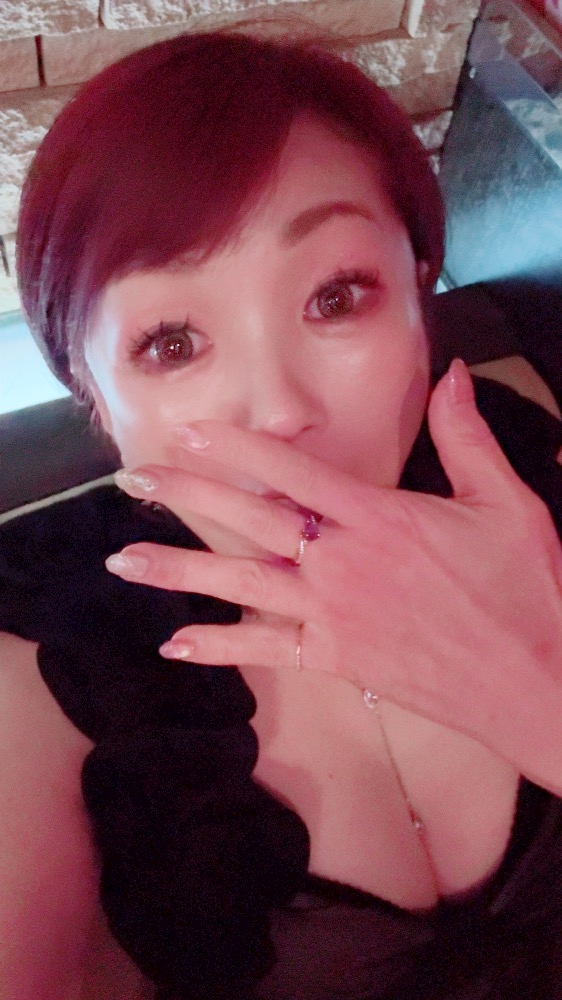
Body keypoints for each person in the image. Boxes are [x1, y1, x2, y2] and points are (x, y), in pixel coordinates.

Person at [2, 29, 562, 1000]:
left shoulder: (530, 494)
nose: (278, 410)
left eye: (337, 296)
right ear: (94, 400)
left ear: (419, 288)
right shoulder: (50, 669)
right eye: (172, 343)